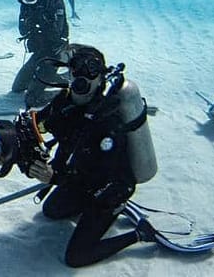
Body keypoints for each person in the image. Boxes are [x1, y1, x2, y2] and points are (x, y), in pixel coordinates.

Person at [25, 45, 158, 267]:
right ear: (69, 72)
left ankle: (139, 233)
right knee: (51, 211)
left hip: (109, 187)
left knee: (76, 257)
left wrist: (54, 178)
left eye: (92, 70)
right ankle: (93, 213)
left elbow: (99, 177)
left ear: (101, 78)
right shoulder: (64, 102)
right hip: (78, 176)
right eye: (77, 69)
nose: (83, 77)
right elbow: (39, 123)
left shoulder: (107, 120)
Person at [11, 0, 69, 107]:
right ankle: (54, 78)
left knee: (32, 99)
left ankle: (67, 91)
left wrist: (41, 22)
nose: (29, 0)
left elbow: (55, 34)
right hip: (39, 51)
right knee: (17, 88)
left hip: (54, 52)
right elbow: (22, 30)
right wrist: (30, 23)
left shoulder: (55, 3)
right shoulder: (27, 4)